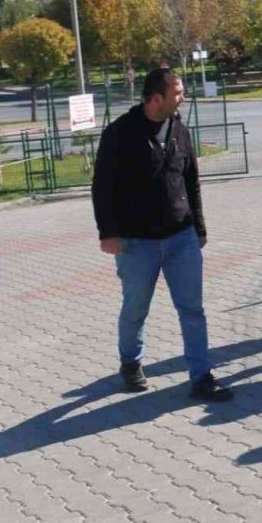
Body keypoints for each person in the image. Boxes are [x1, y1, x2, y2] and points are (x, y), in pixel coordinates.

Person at [92, 68, 232, 400]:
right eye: (179, 93)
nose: (183, 98)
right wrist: (107, 233)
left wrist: (199, 227)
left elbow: (191, 180)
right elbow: (102, 187)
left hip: (181, 238)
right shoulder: (120, 133)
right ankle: (131, 363)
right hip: (136, 242)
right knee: (136, 307)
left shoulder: (180, 129)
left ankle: (200, 376)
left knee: (193, 309)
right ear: (157, 98)